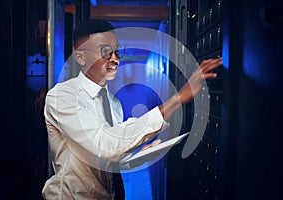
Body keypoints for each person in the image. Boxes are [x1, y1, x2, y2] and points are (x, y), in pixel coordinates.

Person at [42, 19, 222, 200]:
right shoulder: (62, 96)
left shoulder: (113, 103)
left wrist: (139, 155)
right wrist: (178, 98)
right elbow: (104, 145)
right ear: (80, 57)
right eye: (105, 51)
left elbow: (110, 161)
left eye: (117, 51)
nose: (114, 59)